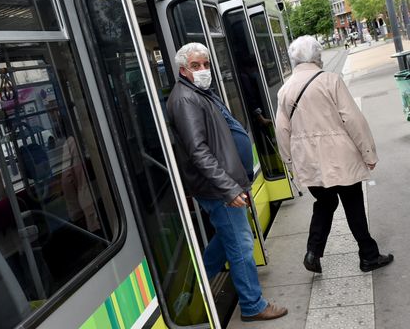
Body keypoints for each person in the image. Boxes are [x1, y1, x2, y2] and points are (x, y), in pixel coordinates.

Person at [167, 42, 287, 322]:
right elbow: (198, 151)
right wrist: (229, 188)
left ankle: (198, 286)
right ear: (183, 70)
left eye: (206, 64)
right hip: (220, 189)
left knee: (225, 239)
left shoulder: (200, 93)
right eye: (196, 66)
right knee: (241, 244)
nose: (203, 70)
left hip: (226, 184)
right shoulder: (185, 99)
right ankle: (252, 305)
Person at [275, 35, 393, 274]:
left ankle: (313, 253)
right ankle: (369, 256)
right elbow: (353, 119)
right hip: (341, 157)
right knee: (353, 204)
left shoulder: (284, 90)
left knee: (324, 202)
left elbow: (281, 129)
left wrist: (290, 162)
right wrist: (368, 153)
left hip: (309, 161)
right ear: (317, 56)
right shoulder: (330, 80)